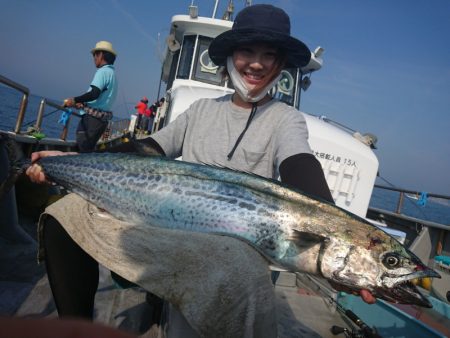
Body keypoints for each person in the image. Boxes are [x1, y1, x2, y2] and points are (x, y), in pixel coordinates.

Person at [26, 5, 375, 337]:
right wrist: (69, 160)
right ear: (230, 57)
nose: (256, 63)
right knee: (61, 216)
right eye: (247, 52)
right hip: (165, 219)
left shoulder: (285, 119)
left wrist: (341, 234)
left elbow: (300, 164)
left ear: (281, 64)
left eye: (269, 54)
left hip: (231, 239)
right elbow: (149, 149)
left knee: (234, 275)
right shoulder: (201, 110)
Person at [63, 41, 118, 152]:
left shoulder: (102, 72)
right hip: (101, 121)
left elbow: (94, 94)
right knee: (87, 149)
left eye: (95, 54)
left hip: (91, 121)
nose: (93, 58)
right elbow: (100, 99)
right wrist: (82, 104)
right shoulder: (112, 74)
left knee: (83, 148)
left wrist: (74, 100)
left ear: (101, 55)